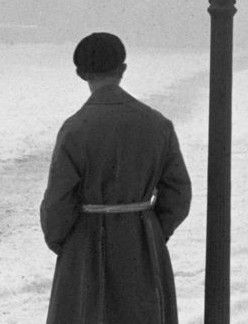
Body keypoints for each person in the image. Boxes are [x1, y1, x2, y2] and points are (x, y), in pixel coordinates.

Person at [40, 32, 192, 324]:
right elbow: (178, 194)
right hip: (143, 242)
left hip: (84, 245)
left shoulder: (75, 129)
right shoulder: (158, 124)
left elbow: (58, 201)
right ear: (122, 69)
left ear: (81, 73)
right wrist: (153, 233)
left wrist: (65, 243)